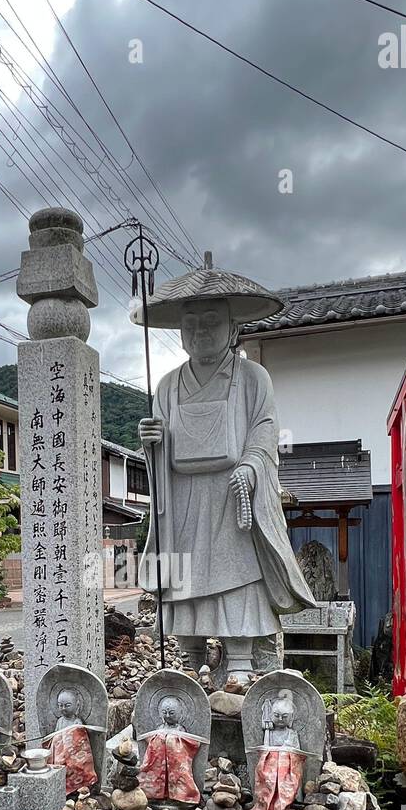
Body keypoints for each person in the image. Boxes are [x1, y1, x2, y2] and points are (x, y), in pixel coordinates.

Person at [134, 263, 315, 675]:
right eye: (191, 324)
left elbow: (265, 430)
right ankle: (190, 659)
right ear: (181, 333)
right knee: (184, 581)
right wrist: (151, 443)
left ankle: (239, 663)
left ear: (232, 328)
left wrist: (251, 468)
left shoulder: (253, 377)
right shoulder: (166, 385)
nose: (200, 332)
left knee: (238, 576)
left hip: (232, 495)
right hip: (182, 499)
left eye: (211, 322)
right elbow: (159, 444)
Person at [137, 694, 205, 805]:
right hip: (159, 760)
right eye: (164, 713)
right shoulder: (160, 727)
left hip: (176, 760)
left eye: (172, 713)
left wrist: (172, 741)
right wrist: (159, 740)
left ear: (180, 713)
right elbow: (150, 738)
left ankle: (180, 796)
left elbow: (190, 743)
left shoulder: (180, 729)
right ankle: (155, 794)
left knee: (180, 772)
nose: (168, 716)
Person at [251, 689, 306, 810]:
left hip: (286, 767)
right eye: (277, 716)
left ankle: (288, 804)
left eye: (284, 716)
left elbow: (296, 753)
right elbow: (265, 750)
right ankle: (267, 806)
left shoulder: (292, 733)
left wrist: (283, 754)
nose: (280, 720)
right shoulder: (269, 733)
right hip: (270, 766)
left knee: (288, 774)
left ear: (291, 718)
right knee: (266, 774)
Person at [44, 687, 98, 794]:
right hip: (60, 754)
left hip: (74, 755)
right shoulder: (60, 721)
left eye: (67, 705)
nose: (63, 708)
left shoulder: (77, 722)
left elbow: (82, 742)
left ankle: (76, 788)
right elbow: (55, 737)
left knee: (76, 769)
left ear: (77, 705)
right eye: (60, 705)